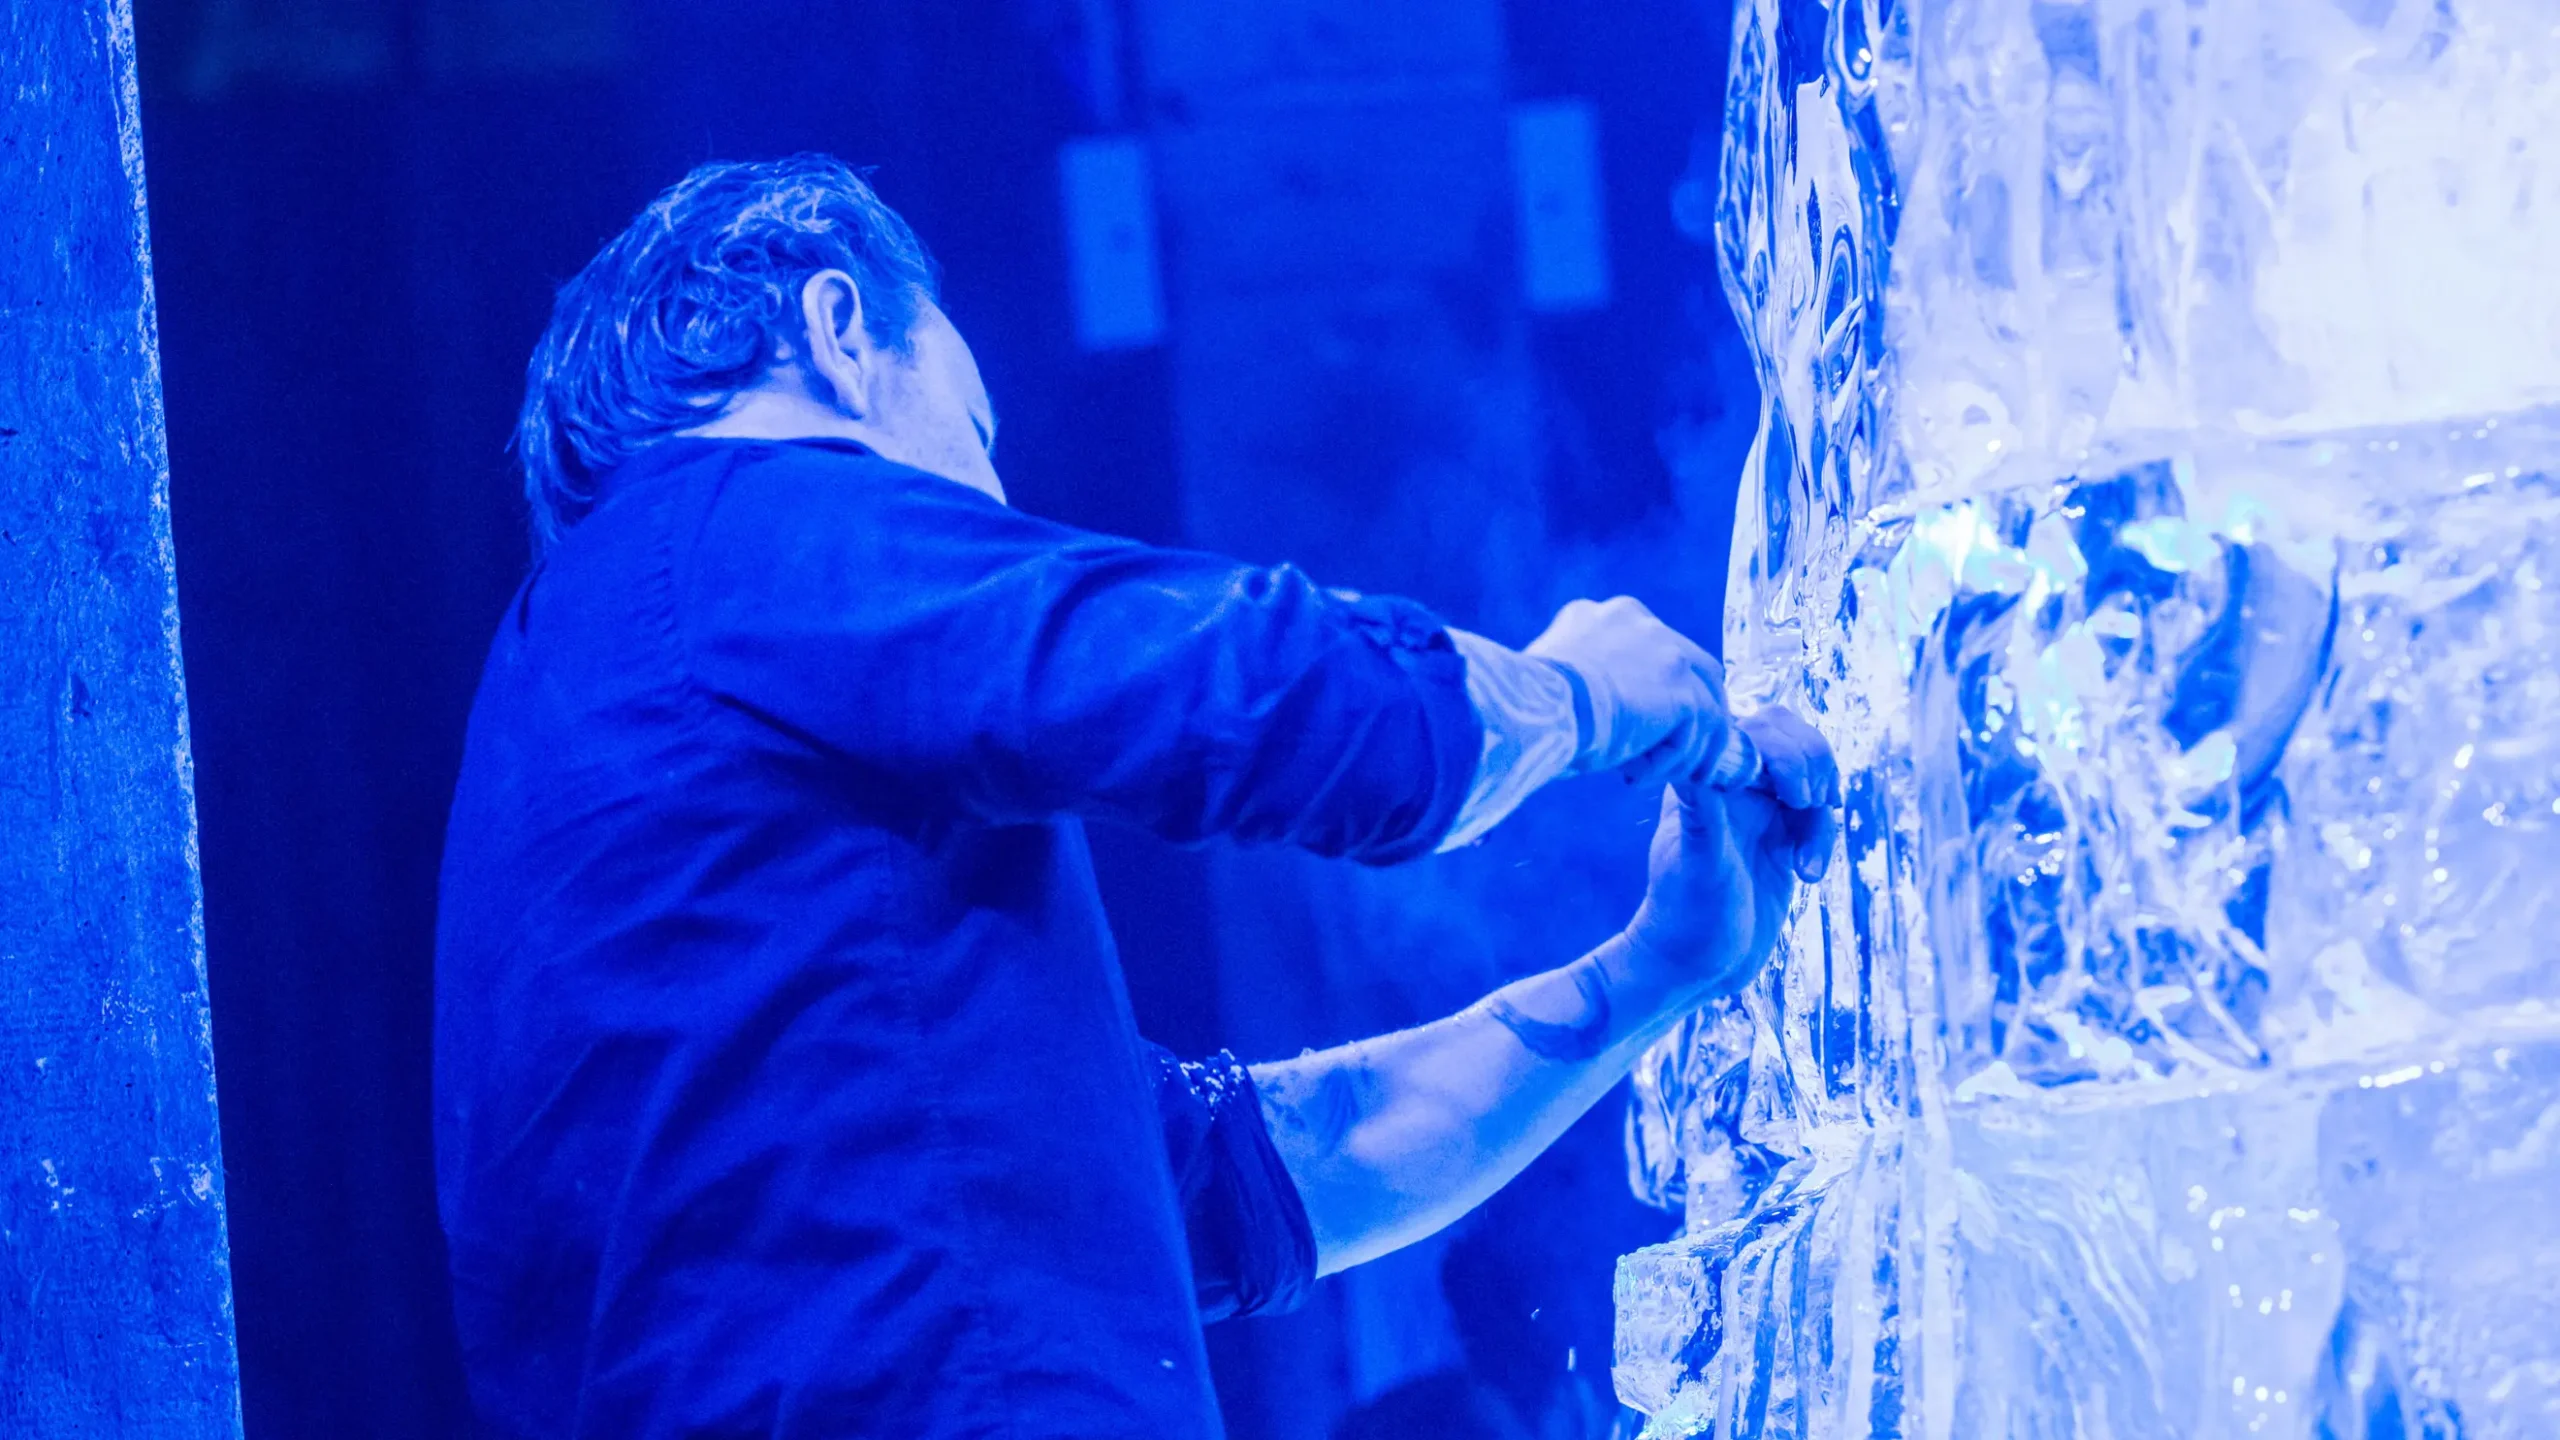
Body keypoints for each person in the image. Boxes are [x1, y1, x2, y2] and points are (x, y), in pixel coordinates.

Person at [433, 154, 1838, 1440]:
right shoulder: (725, 529)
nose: (991, 504)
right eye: (973, 432)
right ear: (838, 331)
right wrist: (1577, 696)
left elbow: (1255, 1181)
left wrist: (1657, 968)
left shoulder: (610, 755)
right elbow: (1235, 684)